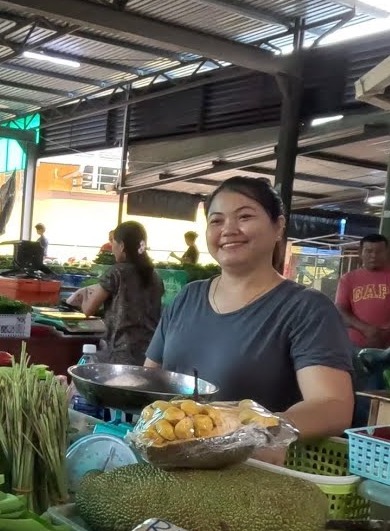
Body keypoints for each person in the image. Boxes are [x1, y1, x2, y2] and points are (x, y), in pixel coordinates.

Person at [145, 177, 354, 442]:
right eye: (216, 221)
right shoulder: (188, 296)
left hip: (255, 472)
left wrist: (257, 431)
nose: (228, 229)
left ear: (278, 227)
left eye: (244, 217)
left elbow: (332, 406)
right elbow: (152, 377)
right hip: (168, 466)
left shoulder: (306, 309)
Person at [78, 222, 163, 365]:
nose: (112, 249)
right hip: (151, 355)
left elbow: (88, 309)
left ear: (122, 245)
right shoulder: (155, 276)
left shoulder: (116, 273)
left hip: (122, 354)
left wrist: (84, 294)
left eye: (113, 243)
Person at [335, 234, 390, 349]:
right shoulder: (348, 279)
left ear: (386, 252)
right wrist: (365, 329)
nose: (374, 255)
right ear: (361, 252)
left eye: (379, 252)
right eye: (369, 251)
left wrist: (385, 333)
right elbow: (341, 310)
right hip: (356, 344)